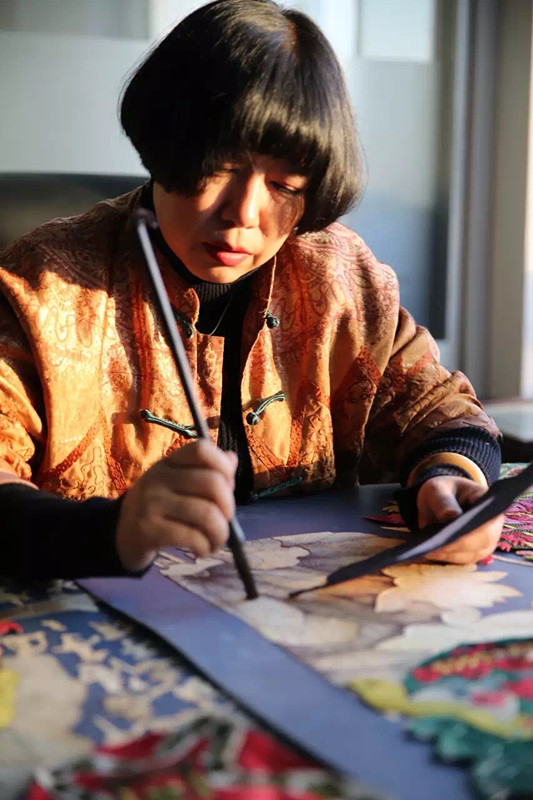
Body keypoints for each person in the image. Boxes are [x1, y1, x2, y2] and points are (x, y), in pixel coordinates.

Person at [0, 0, 503, 580]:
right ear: (168, 147)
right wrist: (113, 530)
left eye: (285, 184)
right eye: (221, 167)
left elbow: (438, 409)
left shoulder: (341, 279)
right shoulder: (42, 286)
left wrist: (450, 477)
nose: (243, 214)